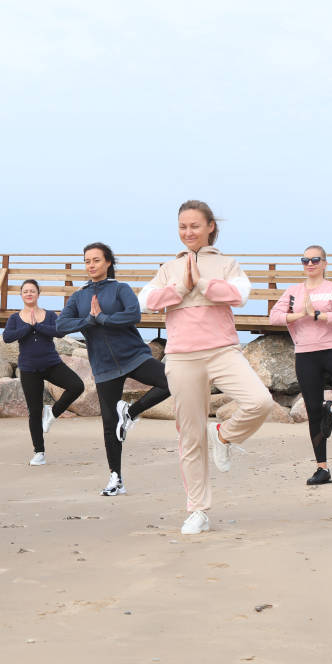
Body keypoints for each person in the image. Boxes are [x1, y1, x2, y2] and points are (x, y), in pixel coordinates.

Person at [139, 200, 272, 535]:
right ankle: (197, 510)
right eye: (182, 226)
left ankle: (224, 435)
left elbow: (240, 295)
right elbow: (145, 301)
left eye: (195, 226)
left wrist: (203, 284)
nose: (188, 232)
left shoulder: (227, 264)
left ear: (210, 226)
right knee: (190, 436)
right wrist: (181, 287)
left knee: (260, 402)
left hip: (222, 351)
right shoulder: (169, 267)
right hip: (182, 357)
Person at [57, 242, 170, 496]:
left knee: (171, 382)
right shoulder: (79, 296)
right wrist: (89, 320)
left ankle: (131, 412)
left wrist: (103, 318)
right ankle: (116, 479)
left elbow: (133, 315)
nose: (91, 265)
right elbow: (60, 326)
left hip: (133, 355)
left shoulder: (121, 289)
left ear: (108, 262)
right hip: (104, 365)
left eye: (96, 260)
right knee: (110, 425)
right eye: (87, 261)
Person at [268, 245, 332, 486]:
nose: (310, 264)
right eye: (305, 260)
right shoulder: (293, 292)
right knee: (314, 411)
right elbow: (274, 317)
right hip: (305, 355)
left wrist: (317, 314)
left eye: (315, 260)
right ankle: (322, 469)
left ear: (324, 263)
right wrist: (299, 315)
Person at [2, 279, 85, 466]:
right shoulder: (15, 318)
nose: (29, 294)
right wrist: (28, 327)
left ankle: (53, 412)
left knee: (77, 386)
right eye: (25, 291)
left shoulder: (49, 315)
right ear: (21, 295)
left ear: (38, 294)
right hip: (29, 369)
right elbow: (7, 337)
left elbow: (59, 332)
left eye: (32, 291)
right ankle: (39, 452)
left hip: (51, 364)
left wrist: (37, 326)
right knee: (34, 411)